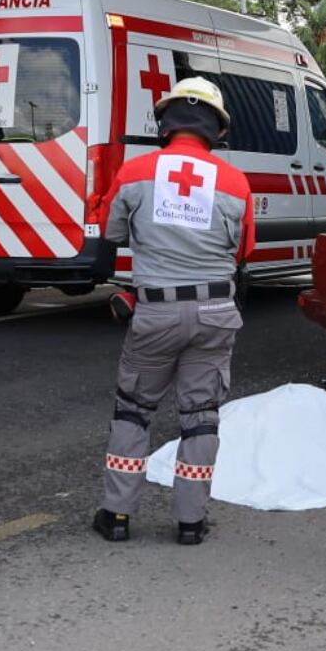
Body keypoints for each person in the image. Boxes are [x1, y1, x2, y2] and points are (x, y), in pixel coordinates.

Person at [93, 76, 254, 546]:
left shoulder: (137, 171)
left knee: (134, 411)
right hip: (216, 312)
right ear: (217, 129)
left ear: (164, 122)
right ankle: (190, 522)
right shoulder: (234, 181)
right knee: (201, 414)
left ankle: (117, 517)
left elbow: (111, 230)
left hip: (156, 314)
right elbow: (244, 249)